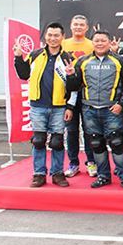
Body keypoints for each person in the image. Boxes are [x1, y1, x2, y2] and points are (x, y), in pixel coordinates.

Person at [65, 30, 123, 191]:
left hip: (112, 110)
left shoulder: (120, 60)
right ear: (92, 42)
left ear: (109, 42)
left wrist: (121, 104)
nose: (99, 43)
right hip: (89, 110)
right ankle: (103, 176)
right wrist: (70, 76)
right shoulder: (82, 61)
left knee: (117, 143)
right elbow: (74, 87)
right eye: (96, 40)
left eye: (103, 40)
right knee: (96, 144)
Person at [13, 22, 73, 188]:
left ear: (63, 37)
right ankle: (39, 174)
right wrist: (18, 57)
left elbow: (74, 86)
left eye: (56, 35)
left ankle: (57, 173)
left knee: (57, 142)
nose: (53, 38)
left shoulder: (68, 58)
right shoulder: (35, 55)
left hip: (59, 107)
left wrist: (70, 107)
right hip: (38, 106)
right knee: (38, 141)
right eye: (50, 35)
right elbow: (24, 75)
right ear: (45, 37)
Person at [62, 14, 97, 178]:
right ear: (71, 26)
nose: (78, 27)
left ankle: (91, 162)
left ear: (86, 28)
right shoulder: (63, 44)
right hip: (68, 93)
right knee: (71, 130)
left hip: (87, 93)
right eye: (75, 24)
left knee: (89, 130)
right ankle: (73, 163)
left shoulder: (92, 45)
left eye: (81, 25)